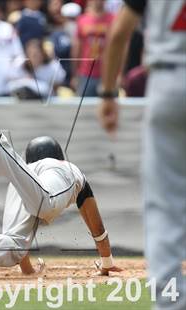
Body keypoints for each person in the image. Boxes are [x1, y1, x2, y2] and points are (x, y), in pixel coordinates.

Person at [97, 1, 186, 309]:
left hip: (169, 82)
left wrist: (108, 94)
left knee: (164, 206)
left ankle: (171, 302)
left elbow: (120, 30)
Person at [0, 124, 122, 280]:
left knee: (14, 243)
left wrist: (29, 271)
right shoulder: (67, 167)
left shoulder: (24, 175)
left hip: (22, 178)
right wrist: (107, 262)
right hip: (51, 176)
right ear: (59, 155)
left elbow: (22, 244)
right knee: (46, 205)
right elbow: (97, 228)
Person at [71, 0, 114, 96]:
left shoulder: (113, 20)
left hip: (108, 73)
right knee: (84, 108)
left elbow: (119, 49)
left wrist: (119, 74)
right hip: (86, 73)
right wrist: (75, 74)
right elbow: (77, 49)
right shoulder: (82, 20)